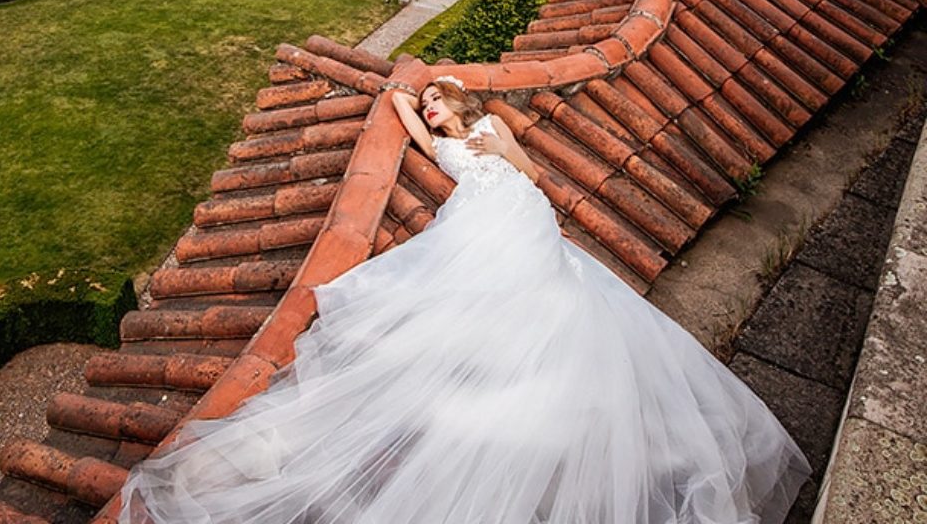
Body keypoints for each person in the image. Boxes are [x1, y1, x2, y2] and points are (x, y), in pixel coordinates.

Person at [118, 74, 811, 524]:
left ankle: (513, 349)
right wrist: (406, 91)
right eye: (432, 106)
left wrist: (493, 143)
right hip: (476, 219)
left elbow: (536, 173)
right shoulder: (442, 145)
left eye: (440, 102)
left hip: (519, 207)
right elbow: (401, 112)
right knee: (471, 290)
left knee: (536, 284)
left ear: (462, 103)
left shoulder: (491, 131)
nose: (432, 111)